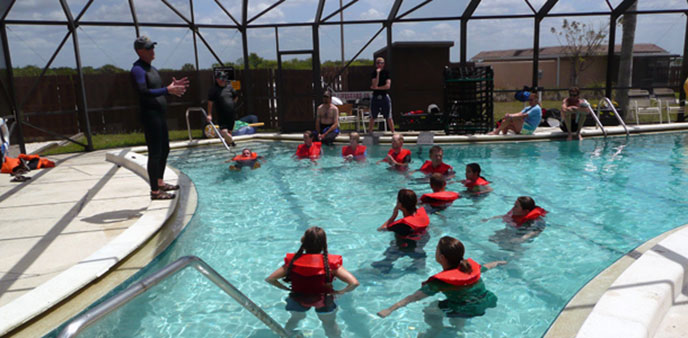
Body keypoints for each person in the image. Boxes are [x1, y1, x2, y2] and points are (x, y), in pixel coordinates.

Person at [377, 236, 505, 336]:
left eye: (437, 250)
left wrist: (389, 310)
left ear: (441, 257)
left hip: (465, 309)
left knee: (429, 310)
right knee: (460, 304)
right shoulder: (470, 267)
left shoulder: (440, 282)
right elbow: (486, 267)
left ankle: (436, 329)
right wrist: (497, 263)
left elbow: (414, 297)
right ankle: (458, 330)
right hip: (486, 301)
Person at [265, 226, 359, 337]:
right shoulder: (330, 263)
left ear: (303, 242)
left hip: (297, 298)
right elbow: (354, 283)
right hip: (324, 300)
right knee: (329, 325)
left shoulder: (293, 261)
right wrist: (340, 292)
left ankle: (285, 335)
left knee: (294, 319)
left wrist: (285, 288)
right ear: (324, 243)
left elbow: (271, 279)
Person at [130, 35, 189, 200]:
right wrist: (166, 90)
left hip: (159, 115)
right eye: (149, 48)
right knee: (155, 153)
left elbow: (159, 90)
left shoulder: (152, 69)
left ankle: (160, 182)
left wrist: (172, 89)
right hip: (150, 116)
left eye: (153, 47)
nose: (152, 51)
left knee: (165, 150)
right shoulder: (138, 70)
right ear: (140, 51)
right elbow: (143, 92)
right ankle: (155, 192)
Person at [372, 189, 430, 273]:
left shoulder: (402, 225)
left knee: (388, 258)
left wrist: (394, 215)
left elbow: (381, 229)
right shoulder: (422, 214)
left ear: (400, 204)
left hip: (402, 246)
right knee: (418, 260)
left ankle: (383, 268)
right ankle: (419, 266)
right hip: (420, 244)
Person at [206, 71, 238, 146]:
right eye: (221, 78)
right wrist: (209, 114)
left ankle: (229, 146)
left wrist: (232, 104)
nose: (223, 80)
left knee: (229, 131)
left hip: (231, 113)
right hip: (221, 114)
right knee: (224, 132)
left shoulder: (229, 87)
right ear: (217, 79)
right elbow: (210, 103)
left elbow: (236, 97)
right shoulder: (214, 90)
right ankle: (232, 143)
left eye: (224, 78)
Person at [368, 57, 395, 133]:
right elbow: (374, 84)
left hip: (384, 96)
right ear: (376, 64)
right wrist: (378, 74)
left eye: (381, 63)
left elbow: (387, 86)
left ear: (384, 64)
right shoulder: (374, 73)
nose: (379, 64)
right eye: (378, 63)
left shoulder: (387, 73)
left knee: (389, 117)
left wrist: (377, 88)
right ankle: (370, 132)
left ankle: (393, 132)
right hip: (375, 97)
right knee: (373, 116)